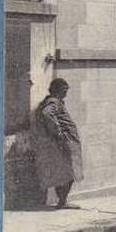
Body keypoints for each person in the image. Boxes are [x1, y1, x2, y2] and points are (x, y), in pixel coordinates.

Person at [31, 78, 83, 209]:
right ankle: (62, 202)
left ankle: (62, 201)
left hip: (60, 144)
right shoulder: (53, 102)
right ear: (57, 90)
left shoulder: (54, 102)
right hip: (63, 144)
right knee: (68, 172)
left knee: (65, 173)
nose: (66, 93)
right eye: (64, 90)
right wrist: (60, 133)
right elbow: (47, 114)